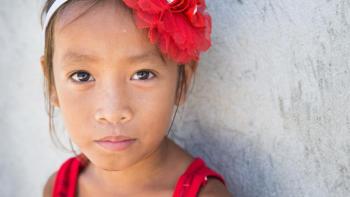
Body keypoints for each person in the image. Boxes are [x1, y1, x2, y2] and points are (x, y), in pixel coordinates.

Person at [40, 0, 231, 196]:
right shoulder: (58, 188)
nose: (112, 113)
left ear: (182, 83)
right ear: (52, 85)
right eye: (82, 76)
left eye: (143, 74)